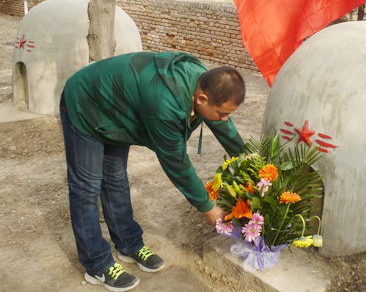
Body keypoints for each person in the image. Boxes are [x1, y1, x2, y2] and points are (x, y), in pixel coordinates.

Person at [59, 51, 246, 291]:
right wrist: (207, 206)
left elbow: (224, 127)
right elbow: (175, 162)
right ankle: (96, 264)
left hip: (116, 108)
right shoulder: (164, 104)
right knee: (87, 187)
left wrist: (250, 161)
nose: (224, 118)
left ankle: (128, 244)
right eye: (223, 113)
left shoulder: (205, 81)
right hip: (85, 103)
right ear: (201, 99)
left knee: (115, 179)